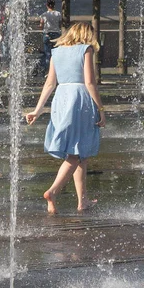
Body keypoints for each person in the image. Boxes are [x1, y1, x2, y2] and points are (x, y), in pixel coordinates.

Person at [25, 22, 105, 214]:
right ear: (86, 34)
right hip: (80, 99)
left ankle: (82, 201)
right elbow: (89, 82)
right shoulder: (86, 49)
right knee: (76, 153)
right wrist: (101, 109)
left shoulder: (57, 51)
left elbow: (49, 84)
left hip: (61, 99)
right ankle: (53, 191)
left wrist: (37, 110)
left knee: (79, 153)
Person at [39, 0, 62, 75]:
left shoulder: (44, 15)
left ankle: (48, 72)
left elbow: (41, 25)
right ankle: (56, 71)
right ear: (54, 5)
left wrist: (41, 26)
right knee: (56, 53)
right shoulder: (58, 14)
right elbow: (60, 24)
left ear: (46, 5)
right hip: (56, 34)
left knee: (48, 53)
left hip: (47, 34)